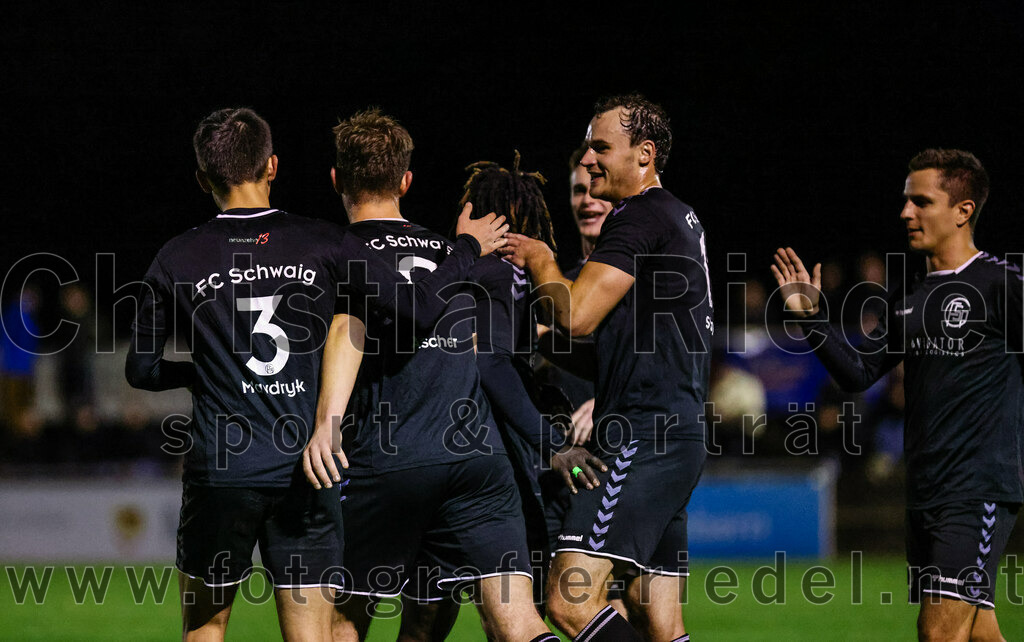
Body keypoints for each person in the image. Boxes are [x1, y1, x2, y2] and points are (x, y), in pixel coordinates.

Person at [125, 107, 507, 641]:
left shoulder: (175, 257)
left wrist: (199, 375)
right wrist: (464, 248)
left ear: (202, 178)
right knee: (312, 634)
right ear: (272, 166)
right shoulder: (325, 243)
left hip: (222, 469)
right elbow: (417, 309)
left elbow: (140, 369)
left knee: (204, 629)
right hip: (306, 467)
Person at [303, 110, 563, 642]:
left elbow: (344, 335)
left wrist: (322, 421)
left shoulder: (335, 254)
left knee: (341, 620)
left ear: (335, 179)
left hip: (388, 457)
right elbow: (481, 349)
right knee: (518, 621)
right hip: (477, 460)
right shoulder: (452, 252)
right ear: (405, 181)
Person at [771, 148, 1022, 642]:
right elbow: (859, 373)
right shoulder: (910, 296)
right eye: (906, 201)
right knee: (977, 632)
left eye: (921, 202)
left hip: (976, 489)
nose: (906, 213)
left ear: (963, 210)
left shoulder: (1002, 286)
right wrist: (813, 321)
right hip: (926, 488)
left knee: (937, 633)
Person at [503, 93, 712, 642]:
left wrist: (541, 257)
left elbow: (574, 316)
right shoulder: (676, 216)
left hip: (643, 435)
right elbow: (609, 344)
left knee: (569, 602)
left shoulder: (639, 215)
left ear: (644, 155)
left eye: (601, 148)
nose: (589, 160)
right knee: (656, 616)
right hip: (676, 432)